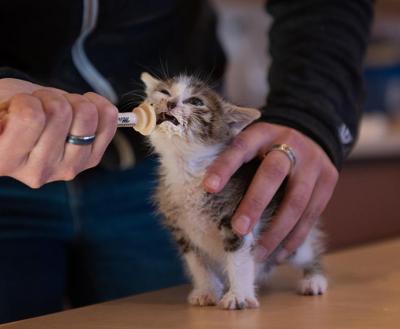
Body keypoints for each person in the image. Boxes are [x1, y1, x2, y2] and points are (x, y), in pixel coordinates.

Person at [0, 0, 373, 323]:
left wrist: (312, 109)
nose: (174, 104)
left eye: (192, 102)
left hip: (137, 178)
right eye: (165, 96)